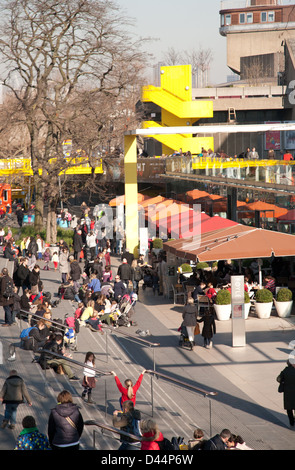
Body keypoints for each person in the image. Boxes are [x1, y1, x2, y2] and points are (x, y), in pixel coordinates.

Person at [277, 360, 295, 427]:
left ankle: (291, 422)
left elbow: (278, 379)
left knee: (289, 408)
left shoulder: (285, 371)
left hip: (288, 393)